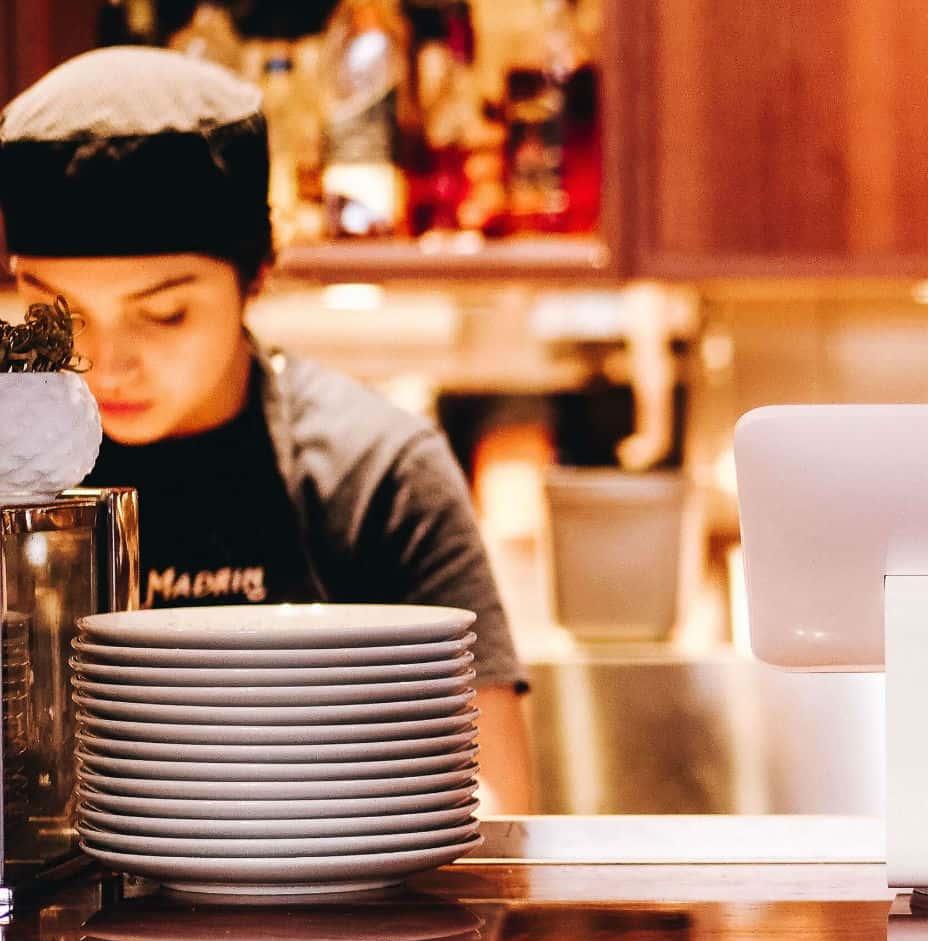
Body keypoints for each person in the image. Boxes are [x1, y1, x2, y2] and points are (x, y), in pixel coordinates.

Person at [0, 46, 532, 812]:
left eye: (163, 313)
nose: (107, 364)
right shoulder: (14, 479)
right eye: (60, 314)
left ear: (256, 274)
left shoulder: (377, 474)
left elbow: (498, 805)